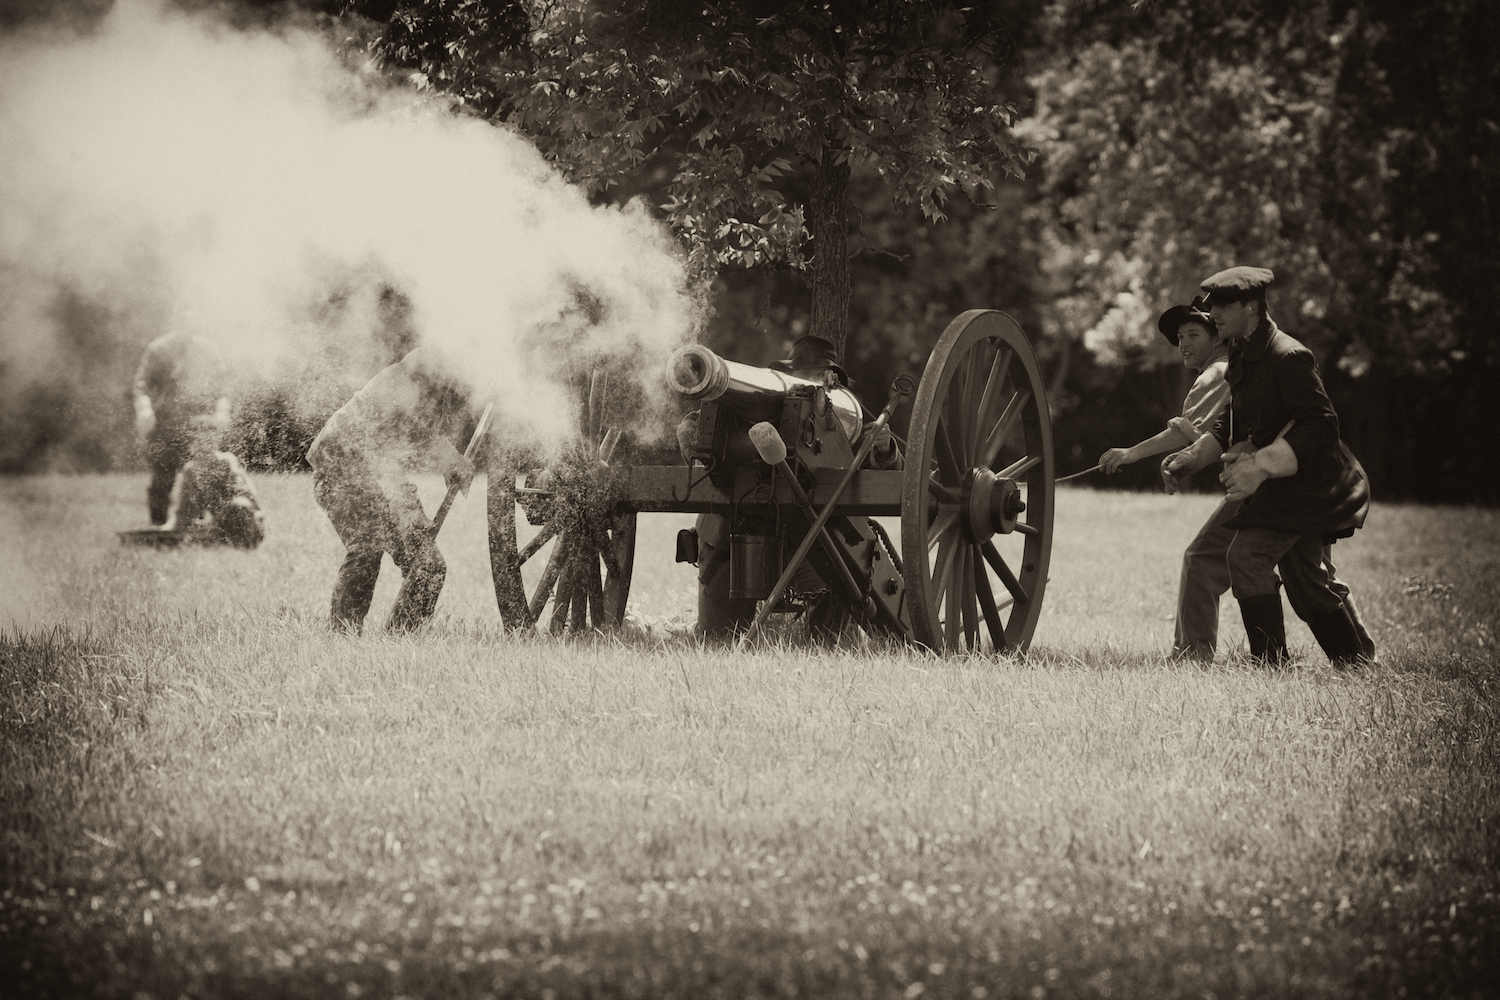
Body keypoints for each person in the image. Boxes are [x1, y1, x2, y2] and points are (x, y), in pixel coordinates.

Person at [1162, 266, 1375, 667]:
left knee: (1247, 558)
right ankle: (1356, 664)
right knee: (1306, 577)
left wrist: (1261, 465)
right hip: (1284, 483)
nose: (1214, 315)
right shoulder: (1242, 350)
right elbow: (1235, 421)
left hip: (1311, 484)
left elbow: (1321, 425)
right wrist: (1193, 457)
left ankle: (1271, 666)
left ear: (1252, 306)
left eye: (1223, 306)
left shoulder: (1288, 355)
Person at [679, 335, 901, 643]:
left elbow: (883, 465)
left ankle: (823, 645)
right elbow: (701, 424)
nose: (808, 383)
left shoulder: (842, 418)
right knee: (716, 639)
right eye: (803, 375)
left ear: (831, 379)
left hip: (813, 546)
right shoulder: (758, 402)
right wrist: (693, 435)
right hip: (732, 536)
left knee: (828, 631)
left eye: (817, 376)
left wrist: (886, 449)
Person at [1097, 297, 1235, 660]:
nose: (1183, 344)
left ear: (1217, 337)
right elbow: (1195, 433)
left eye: (1192, 334)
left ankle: (1192, 655)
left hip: (1266, 482)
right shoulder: (1229, 369)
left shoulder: (1217, 373)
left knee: (1201, 560)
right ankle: (1355, 654)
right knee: (1309, 573)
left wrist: (1131, 453)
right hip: (1304, 477)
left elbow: (1186, 433)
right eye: (1179, 337)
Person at [306, 345, 479, 633]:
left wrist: (452, 461)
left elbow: (423, 434)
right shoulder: (398, 387)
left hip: (375, 479)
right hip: (338, 472)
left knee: (429, 566)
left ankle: (401, 636)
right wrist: (411, 513)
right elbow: (384, 461)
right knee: (367, 548)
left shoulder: (421, 390)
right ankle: (343, 635)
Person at [133, 328, 231, 526]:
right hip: (165, 422)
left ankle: (196, 524)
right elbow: (141, 383)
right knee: (162, 476)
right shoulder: (158, 349)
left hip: (199, 423)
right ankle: (158, 527)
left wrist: (222, 411)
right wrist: (144, 408)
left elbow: (223, 386)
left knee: (201, 474)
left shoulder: (207, 349)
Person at [158, 418, 266, 548]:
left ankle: (239, 540)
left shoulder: (226, 461)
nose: (202, 445)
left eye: (207, 440)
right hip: (219, 524)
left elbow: (244, 494)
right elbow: (183, 511)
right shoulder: (191, 470)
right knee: (193, 534)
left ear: (215, 441)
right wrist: (169, 529)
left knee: (238, 507)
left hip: (243, 517)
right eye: (198, 440)